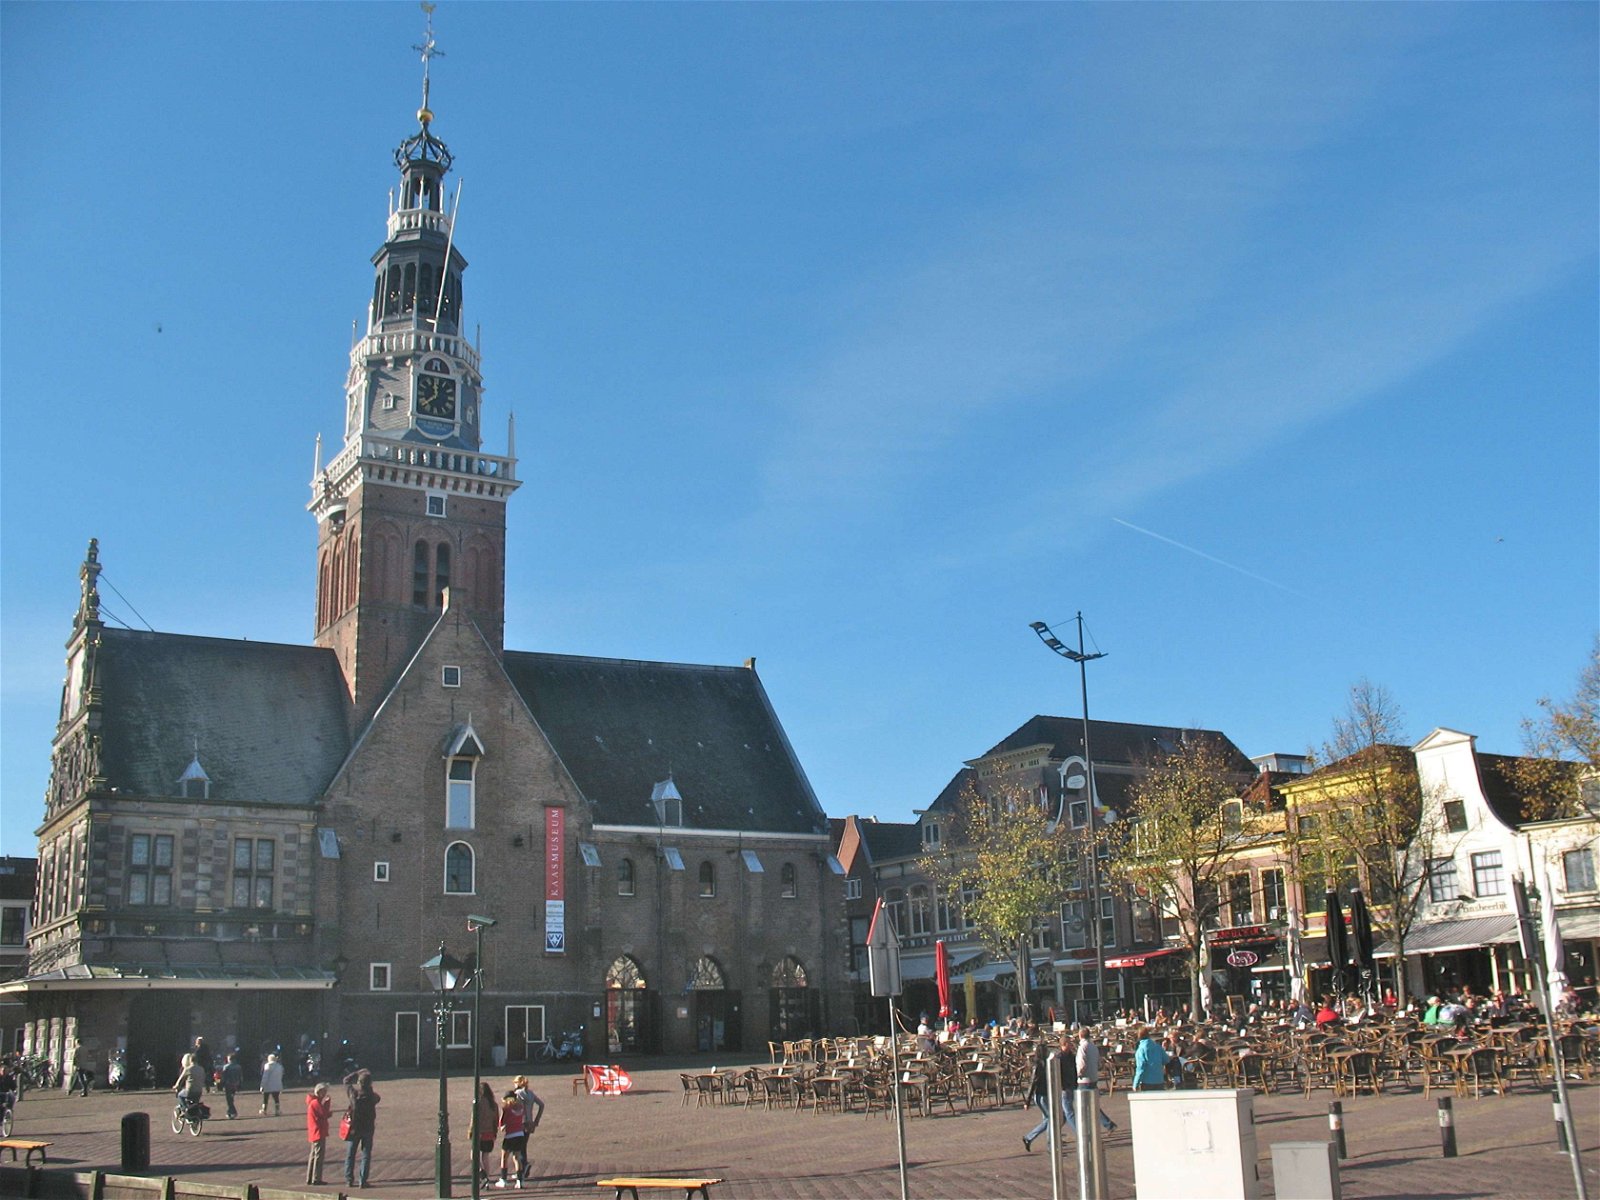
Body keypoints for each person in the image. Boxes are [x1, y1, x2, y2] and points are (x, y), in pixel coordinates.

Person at [1022, 1035, 1078, 1152]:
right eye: (1046, 1050)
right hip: (1041, 1096)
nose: (1048, 1052)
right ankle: (1045, 1143)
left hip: (1048, 1095)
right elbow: (1032, 1083)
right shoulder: (1038, 1065)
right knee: (1052, 1119)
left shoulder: (1047, 1063)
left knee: (1050, 1119)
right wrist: (1027, 1101)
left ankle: (1047, 1143)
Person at [1073, 1027, 1116, 1133]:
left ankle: (1088, 1128)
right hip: (1093, 1077)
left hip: (1084, 1079)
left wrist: (1078, 1075)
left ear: (1080, 1036)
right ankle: (1107, 1124)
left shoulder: (1082, 1047)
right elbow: (1099, 1062)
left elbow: (1081, 1065)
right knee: (1093, 1105)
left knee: (1082, 1105)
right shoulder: (1094, 1047)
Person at [343, 1068, 380, 1189]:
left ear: (359, 1083)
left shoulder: (354, 1095)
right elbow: (377, 1097)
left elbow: (346, 1081)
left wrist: (357, 1072)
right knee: (366, 1154)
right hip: (368, 1128)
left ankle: (349, 1179)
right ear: (370, 1084)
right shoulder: (372, 1096)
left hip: (354, 1128)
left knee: (350, 1154)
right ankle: (362, 1180)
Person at [496, 1089, 528, 1188]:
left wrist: (503, 1126)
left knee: (504, 1157)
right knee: (517, 1157)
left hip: (510, 1135)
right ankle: (520, 1181)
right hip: (520, 1134)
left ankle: (503, 1179)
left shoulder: (506, 1108)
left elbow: (501, 1124)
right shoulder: (521, 1107)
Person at [305, 1081, 332, 1185]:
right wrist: (327, 1103)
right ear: (320, 1092)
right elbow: (324, 1114)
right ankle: (316, 1178)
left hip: (314, 1132)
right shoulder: (316, 1103)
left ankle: (310, 1177)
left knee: (313, 1155)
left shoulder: (314, 1102)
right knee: (318, 1156)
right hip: (318, 1132)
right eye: (324, 1091)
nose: (325, 1094)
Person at [473, 1082, 500, 1187]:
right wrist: (494, 1132)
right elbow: (496, 1120)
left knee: (474, 1155)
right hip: (490, 1133)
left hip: (480, 1132)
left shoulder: (478, 1103)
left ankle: (482, 1175)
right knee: (485, 1157)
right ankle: (487, 1179)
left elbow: (476, 1119)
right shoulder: (494, 1104)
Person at [1132, 1027, 1170, 1092]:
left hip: (1147, 1081)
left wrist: (1136, 1083)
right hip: (1159, 1079)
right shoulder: (1157, 1047)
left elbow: (1140, 1068)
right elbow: (1166, 1060)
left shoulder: (1140, 1050)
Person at [173, 1051, 205, 1119]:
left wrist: (176, 1086)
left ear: (190, 1060)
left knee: (180, 1095)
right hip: (199, 1091)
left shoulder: (188, 1069)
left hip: (190, 1090)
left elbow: (180, 1079)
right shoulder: (201, 1069)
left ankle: (185, 1110)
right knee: (195, 1104)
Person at [220, 1051, 242, 1119]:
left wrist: (221, 1085)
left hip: (228, 1084)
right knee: (231, 1098)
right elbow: (240, 1076)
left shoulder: (226, 1067)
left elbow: (223, 1077)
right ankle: (229, 1112)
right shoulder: (238, 1067)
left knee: (229, 1099)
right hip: (235, 1084)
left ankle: (233, 1112)